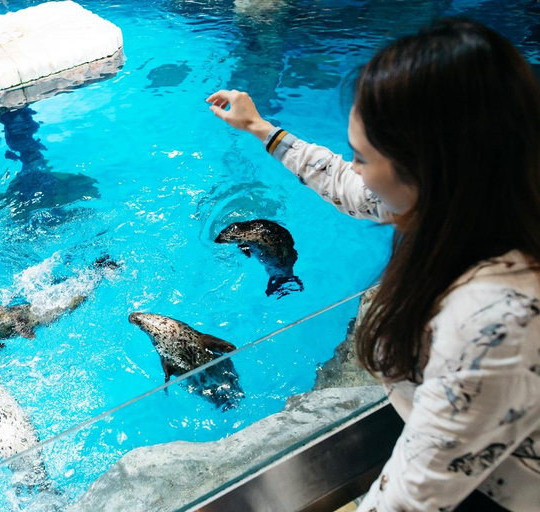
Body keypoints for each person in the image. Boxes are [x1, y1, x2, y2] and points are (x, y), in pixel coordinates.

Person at [207, 18, 540, 512]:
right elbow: (347, 185)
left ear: (424, 168)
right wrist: (262, 129)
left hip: (495, 491)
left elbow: (416, 494)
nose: (355, 169)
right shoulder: (464, 200)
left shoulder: (495, 323)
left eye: (362, 156)